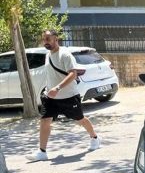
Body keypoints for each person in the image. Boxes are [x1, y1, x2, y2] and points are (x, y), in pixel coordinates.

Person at [27, 30, 100, 161]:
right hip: (51, 98)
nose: (46, 42)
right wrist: (48, 90)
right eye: (44, 39)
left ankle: (94, 138)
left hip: (69, 96)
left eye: (48, 39)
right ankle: (42, 151)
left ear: (56, 39)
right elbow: (51, 75)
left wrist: (58, 87)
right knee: (45, 121)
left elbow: (73, 74)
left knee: (80, 119)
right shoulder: (47, 55)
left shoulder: (65, 55)